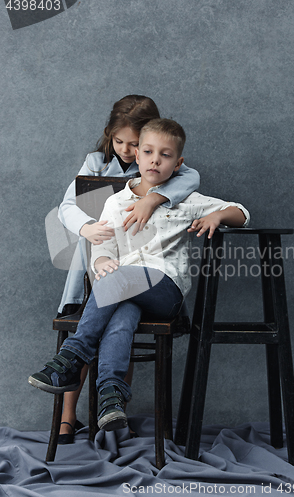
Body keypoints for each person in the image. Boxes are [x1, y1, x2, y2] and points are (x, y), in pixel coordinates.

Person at [29, 118, 249, 433]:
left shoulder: (185, 200)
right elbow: (103, 248)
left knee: (118, 281)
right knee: (122, 316)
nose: (156, 160)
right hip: (124, 289)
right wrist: (103, 261)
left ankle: (72, 356)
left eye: (166, 155)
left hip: (165, 292)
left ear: (178, 163)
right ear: (138, 156)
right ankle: (111, 396)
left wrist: (217, 215)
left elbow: (241, 213)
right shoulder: (116, 202)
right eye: (148, 151)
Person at [54, 95, 200, 442]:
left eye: (134, 144)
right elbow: (67, 206)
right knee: (86, 322)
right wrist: (86, 228)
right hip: (95, 257)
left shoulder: (158, 167)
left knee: (121, 328)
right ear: (109, 136)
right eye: (119, 141)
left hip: (138, 267)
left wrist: (152, 197)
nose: (125, 149)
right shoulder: (96, 162)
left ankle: (112, 408)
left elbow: (189, 178)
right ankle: (68, 417)